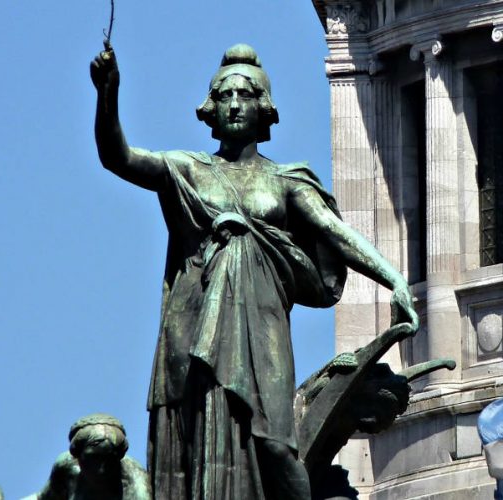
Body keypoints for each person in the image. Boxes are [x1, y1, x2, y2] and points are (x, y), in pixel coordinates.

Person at [90, 43, 418, 498]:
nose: (233, 104)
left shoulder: (285, 181)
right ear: (210, 108)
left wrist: (394, 279)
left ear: (264, 107)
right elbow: (118, 157)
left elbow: (335, 232)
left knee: (276, 445)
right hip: (194, 326)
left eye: (244, 95)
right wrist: (107, 94)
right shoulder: (187, 169)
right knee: (199, 443)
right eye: (223, 96)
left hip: (262, 327)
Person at [32, 414, 152, 500]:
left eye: (109, 460)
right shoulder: (66, 467)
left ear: (119, 458)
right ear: (77, 455)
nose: (101, 470)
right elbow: (41, 498)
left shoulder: (137, 485)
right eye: (94, 458)